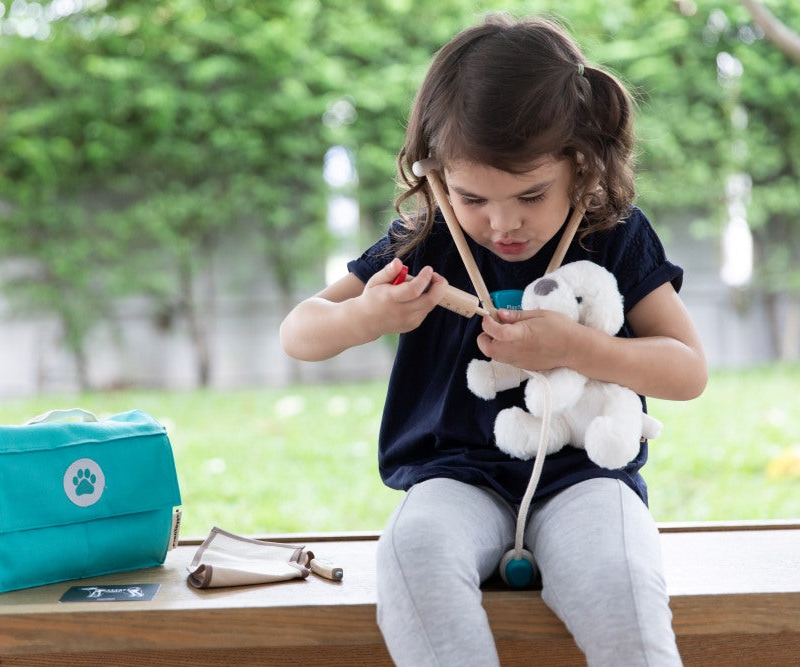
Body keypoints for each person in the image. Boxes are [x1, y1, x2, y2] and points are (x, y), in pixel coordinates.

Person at [280, 12, 707, 667]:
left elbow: (687, 371)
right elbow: (299, 332)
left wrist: (574, 347)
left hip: (585, 481)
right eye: (472, 197)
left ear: (583, 166)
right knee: (410, 548)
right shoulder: (426, 238)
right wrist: (368, 316)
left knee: (620, 574)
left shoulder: (615, 233)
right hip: (454, 479)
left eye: (531, 195)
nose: (503, 223)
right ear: (435, 176)